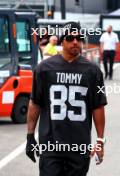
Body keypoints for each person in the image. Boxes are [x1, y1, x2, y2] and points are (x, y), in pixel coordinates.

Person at [26, 22, 107, 176]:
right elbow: (35, 103)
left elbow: (98, 107)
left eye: (79, 38)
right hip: (50, 145)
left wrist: (100, 141)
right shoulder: (43, 69)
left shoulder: (93, 72)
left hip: (79, 146)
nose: (75, 42)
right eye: (70, 38)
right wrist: (30, 137)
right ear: (62, 41)